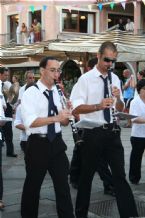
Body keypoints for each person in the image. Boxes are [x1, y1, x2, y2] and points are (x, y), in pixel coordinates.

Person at [70, 41, 138, 218]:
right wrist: (97, 106)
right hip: (93, 133)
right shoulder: (85, 79)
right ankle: (81, 214)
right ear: (98, 56)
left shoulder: (114, 78)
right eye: (107, 59)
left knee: (120, 176)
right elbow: (75, 109)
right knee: (87, 176)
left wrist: (119, 98)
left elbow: (121, 107)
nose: (110, 64)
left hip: (113, 132)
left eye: (113, 61)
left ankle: (129, 214)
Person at [20, 56, 75, 218]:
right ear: (42, 71)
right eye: (52, 70)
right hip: (38, 144)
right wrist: (56, 118)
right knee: (33, 187)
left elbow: (63, 122)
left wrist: (67, 115)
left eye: (58, 70)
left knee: (63, 186)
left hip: (56, 143)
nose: (56, 73)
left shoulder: (58, 92)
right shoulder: (31, 93)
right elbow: (30, 122)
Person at [70, 57, 115, 196]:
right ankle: (76, 179)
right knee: (80, 154)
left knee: (92, 157)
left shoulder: (107, 80)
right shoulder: (84, 80)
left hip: (97, 127)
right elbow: (75, 106)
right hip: (85, 126)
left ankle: (77, 179)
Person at [129, 79, 145, 185]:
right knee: (136, 158)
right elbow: (134, 119)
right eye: (144, 89)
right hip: (138, 135)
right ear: (139, 90)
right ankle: (134, 178)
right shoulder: (134, 102)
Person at [0, 68, 17, 157]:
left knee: (9, 131)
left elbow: (12, 97)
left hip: (8, 110)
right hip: (0, 110)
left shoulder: (8, 84)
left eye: (8, 75)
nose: (7, 77)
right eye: (5, 75)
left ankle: (10, 151)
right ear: (0, 74)